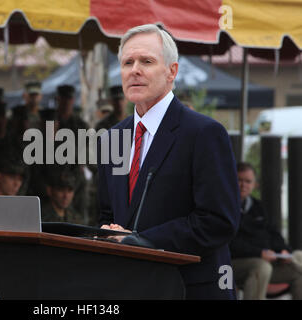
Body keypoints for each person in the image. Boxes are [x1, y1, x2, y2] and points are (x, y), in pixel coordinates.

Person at [97, 24, 240, 300]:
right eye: (128, 62)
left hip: (189, 289)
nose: (135, 70)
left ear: (171, 71)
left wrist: (140, 240)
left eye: (147, 61)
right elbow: (108, 215)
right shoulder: (112, 138)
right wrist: (106, 234)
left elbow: (218, 221)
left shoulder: (204, 133)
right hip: (129, 287)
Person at [230, 162, 302, 300]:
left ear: (254, 184)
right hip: (236, 264)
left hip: (268, 259)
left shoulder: (258, 207)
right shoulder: (224, 206)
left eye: (248, 181)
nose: (243, 185)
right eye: (239, 180)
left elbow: (274, 233)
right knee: (262, 267)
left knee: (298, 256)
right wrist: (259, 253)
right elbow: (229, 242)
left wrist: (283, 250)